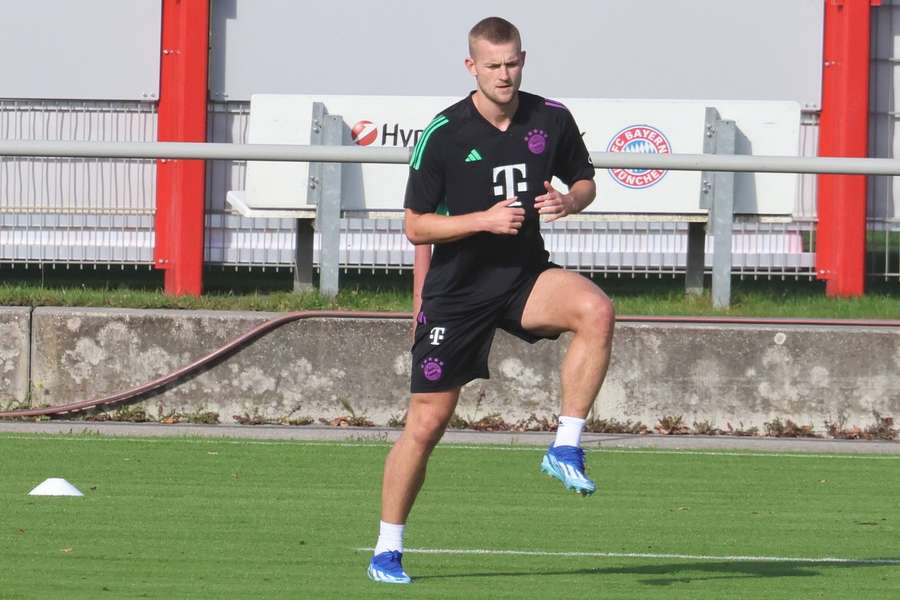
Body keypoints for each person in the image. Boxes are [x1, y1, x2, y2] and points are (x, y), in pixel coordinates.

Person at [367, 16, 615, 584]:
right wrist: (481, 221)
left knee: (596, 310)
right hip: (455, 296)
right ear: (471, 66)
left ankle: (566, 447)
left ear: (523, 60)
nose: (505, 74)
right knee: (426, 426)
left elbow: (585, 181)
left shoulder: (550, 117)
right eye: (493, 65)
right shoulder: (444, 132)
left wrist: (568, 203)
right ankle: (387, 547)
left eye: (513, 63)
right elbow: (415, 227)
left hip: (524, 278)